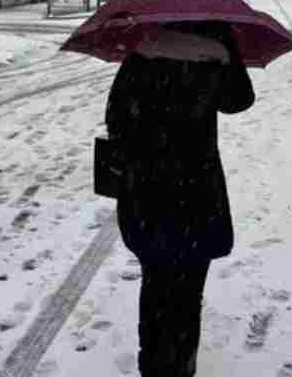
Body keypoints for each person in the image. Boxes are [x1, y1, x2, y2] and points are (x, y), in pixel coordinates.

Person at [104, 23, 256, 377]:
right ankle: (181, 366)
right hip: (196, 192)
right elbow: (240, 100)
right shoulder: (214, 55)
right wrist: (226, 50)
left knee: (155, 287)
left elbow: (115, 116)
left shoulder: (143, 53)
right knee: (188, 294)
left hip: (147, 192)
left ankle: (153, 366)